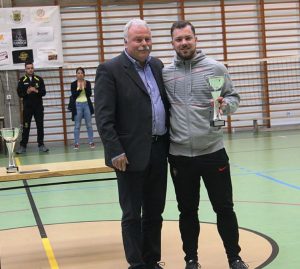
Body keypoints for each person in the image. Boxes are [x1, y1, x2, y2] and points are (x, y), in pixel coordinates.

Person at [162, 21, 248, 269]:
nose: (184, 43)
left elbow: (233, 96)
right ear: (173, 43)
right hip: (179, 155)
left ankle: (234, 257)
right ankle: (191, 259)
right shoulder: (166, 73)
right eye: (179, 39)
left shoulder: (216, 68)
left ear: (195, 39)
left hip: (212, 151)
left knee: (224, 208)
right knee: (187, 211)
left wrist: (226, 106)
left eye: (187, 38)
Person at [94, 19, 169, 269]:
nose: (144, 44)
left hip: (159, 150)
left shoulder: (157, 65)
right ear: (126, 41)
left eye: (147, 39)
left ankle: (152, 260)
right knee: (131, 214)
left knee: (154, 212)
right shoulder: (110, 69)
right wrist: (115, 150)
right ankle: (136, 264)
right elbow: (104, 117)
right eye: (138, 39)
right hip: (128, 155)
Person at [16, 61, 49, 154]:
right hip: (27, 108)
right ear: (25, 69)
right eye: (28, 68)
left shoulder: (39, 79)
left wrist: (36, 90)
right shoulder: (22, 80)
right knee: (26, 127)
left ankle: (41, 145)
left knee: (40, 126)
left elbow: (44, 92)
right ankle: (23, 146)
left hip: (38, 108)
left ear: (33, 69)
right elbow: (19, 94)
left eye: (31, 68)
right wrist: (27, 92)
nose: (30, 70)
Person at [69, 67, 95, 150]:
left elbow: (89, 94)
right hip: (77, 105)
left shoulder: (87, 83)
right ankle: (76, 143)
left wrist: (85, 87)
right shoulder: (73, 84)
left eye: (81, 73)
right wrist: (79, 89)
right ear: (76, 75)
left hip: (86, 104)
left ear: (84, 74)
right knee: (77, 125)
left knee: (89, 125)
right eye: (78, 73)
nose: (80, 74)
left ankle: (91, 142)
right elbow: (74, 95)